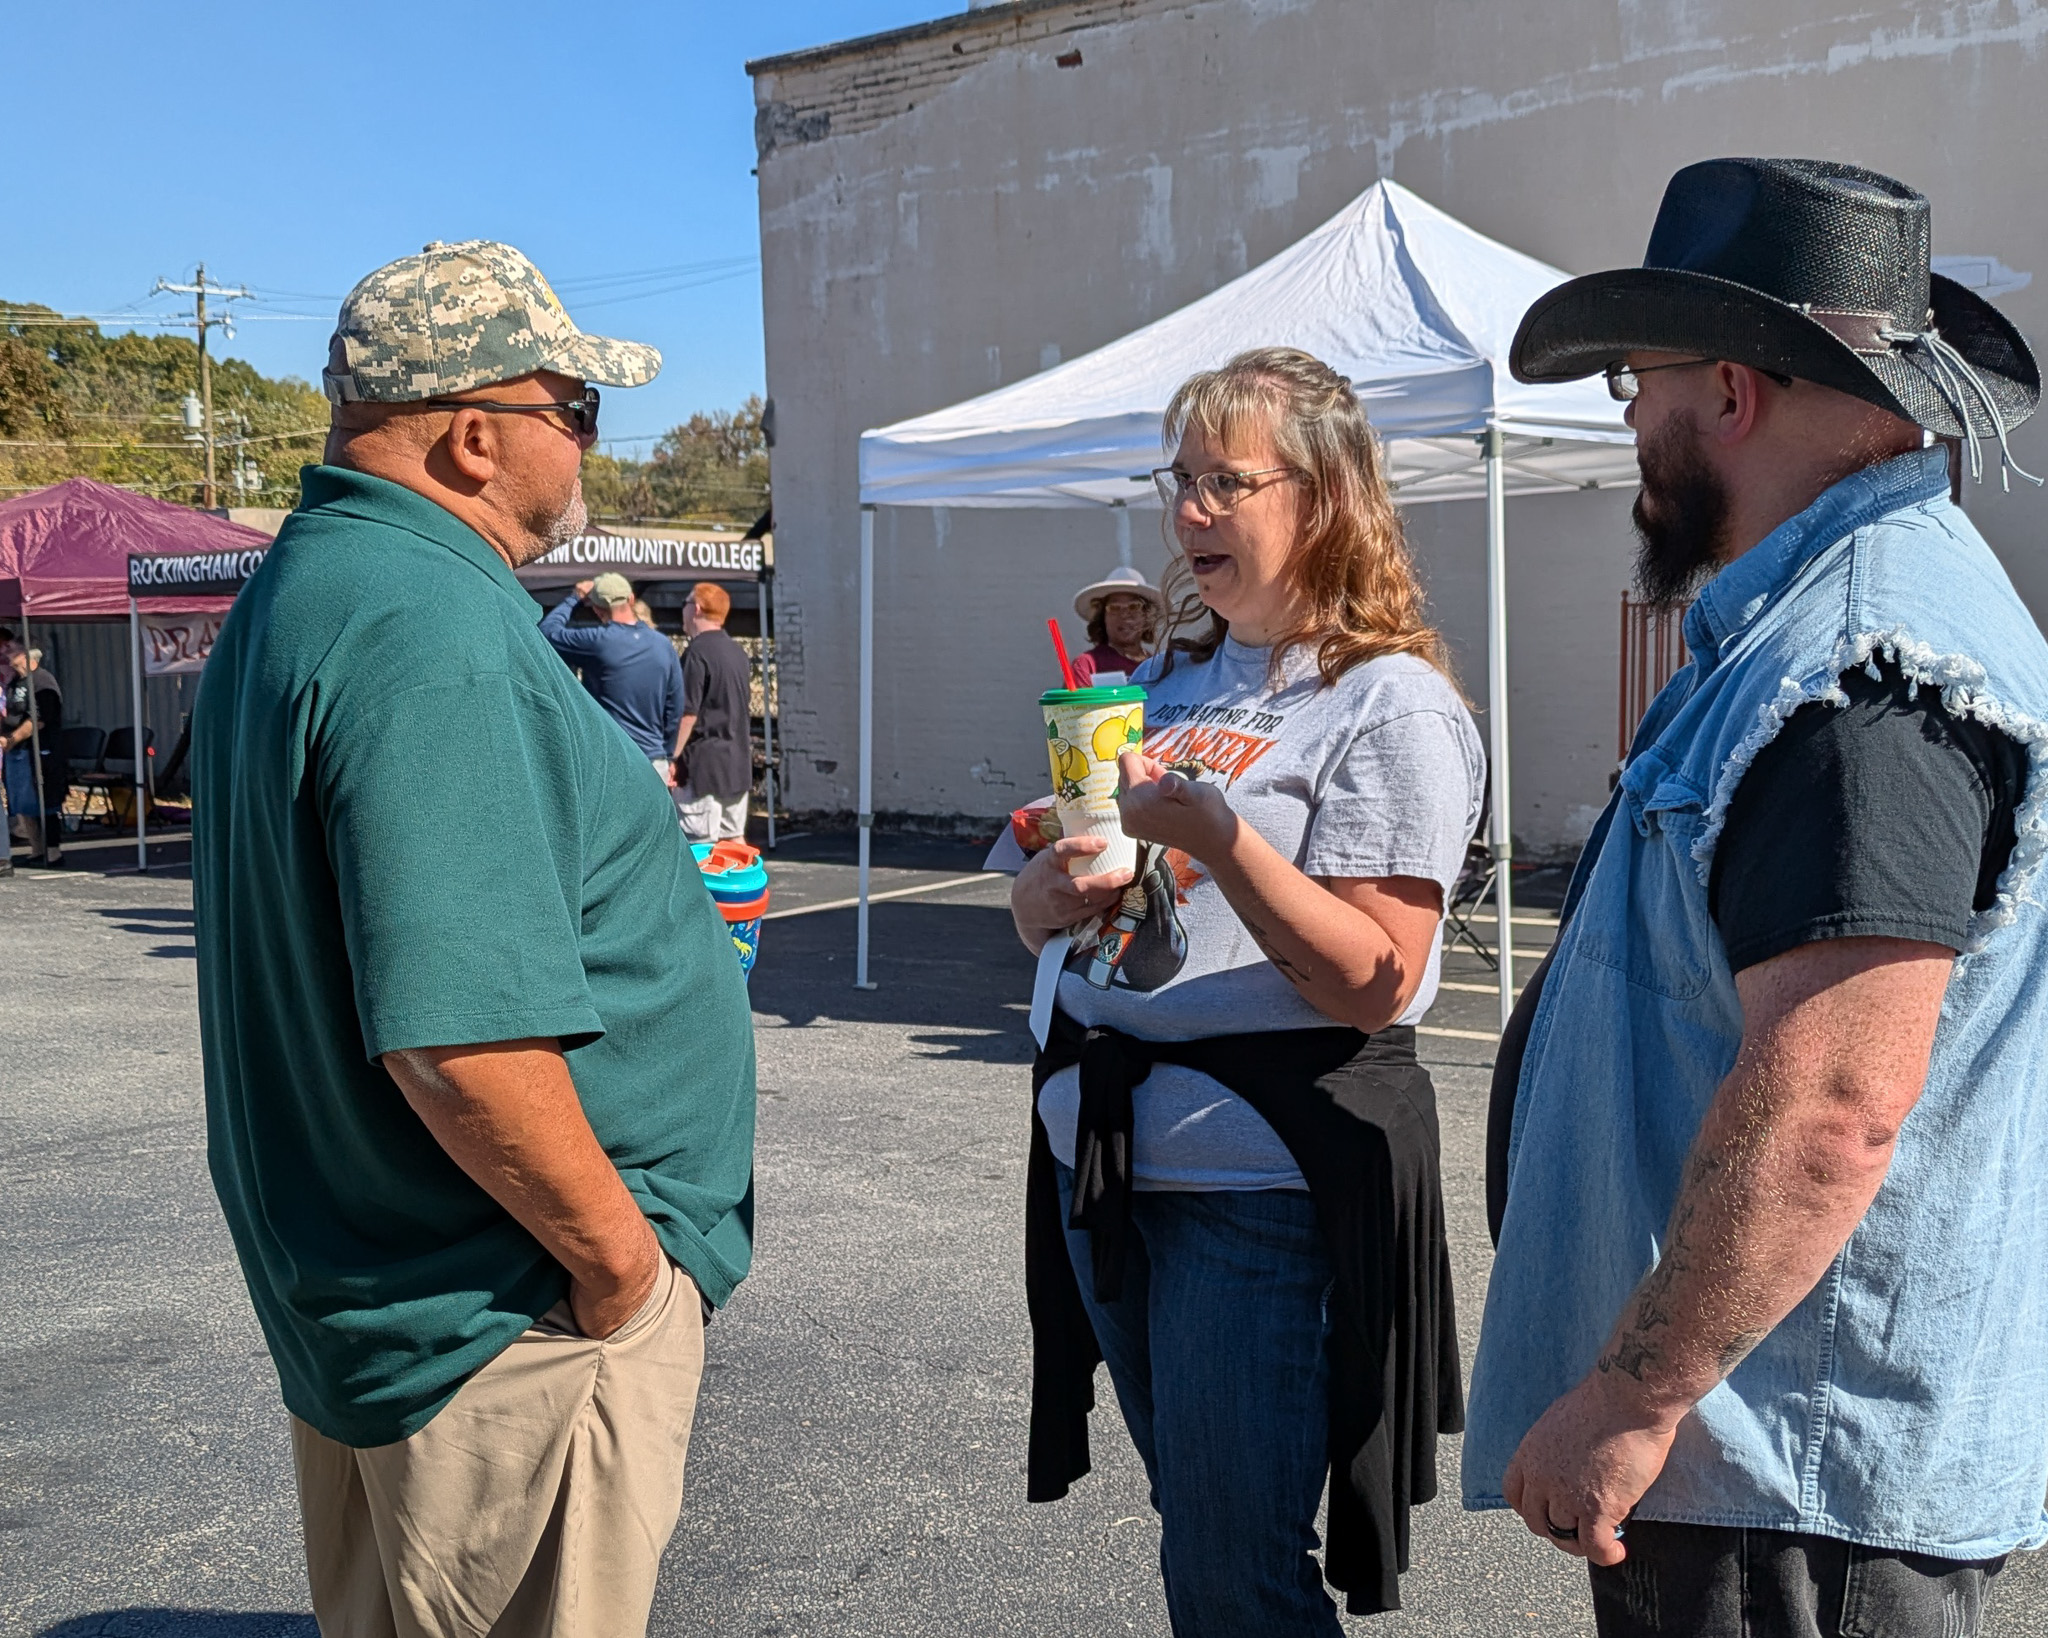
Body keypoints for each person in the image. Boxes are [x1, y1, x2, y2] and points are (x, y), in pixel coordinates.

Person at [1464, 159, 2047, 1638]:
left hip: (1792, 1491)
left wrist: (1633, 1393)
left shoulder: (1860, 663)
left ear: (1727, 392)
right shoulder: (1818, 626)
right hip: (1776, 1472)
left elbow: (1833, 1101)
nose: (1629, 426)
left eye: (1634, 385)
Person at [189, 239, 757, 1638]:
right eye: (577, 410)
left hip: (410, 1297)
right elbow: (460, 1036)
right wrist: (620, 1267)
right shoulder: (425, 619)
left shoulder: (312, 587)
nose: (587, 445)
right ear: (473, 435)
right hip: (502, 1319)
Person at [1011, 347, 1483, 1632]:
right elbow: (1058, 918)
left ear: (1323, 499)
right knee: (1203, 1529)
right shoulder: (1161, 689)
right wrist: (1045, 898)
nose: (1189, 511)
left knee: (1232, 1569)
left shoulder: (1386, 706)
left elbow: (1377, 980)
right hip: (1104, 1158)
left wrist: (1223, 842)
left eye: (1226, 481)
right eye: (1180, 480)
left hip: (1252, 1183)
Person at [539, 571, 688, 785]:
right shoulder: (663, 645)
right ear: (631, 599)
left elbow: (547, 632)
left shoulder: (599, 641)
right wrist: (668, 755)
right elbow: (675, 706)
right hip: (653, 762)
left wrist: (575, 597)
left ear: (597, 610)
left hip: (611, 760)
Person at [673, 580, 753, 841]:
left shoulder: (697, 653)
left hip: (703, 766)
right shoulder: (737, 652)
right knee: (735, 843)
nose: (682, 610)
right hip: (736, 763)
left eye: (685, 603)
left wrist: (672, 756)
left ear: (696, 608)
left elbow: (688, 714)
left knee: (698, 844)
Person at [3, 643, 67, 866]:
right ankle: (36, 848)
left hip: (40, 750)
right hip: (17, 752)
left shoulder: (42, 681)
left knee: (45, 800)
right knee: (22, 802)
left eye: (12, 650)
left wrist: (11, 739)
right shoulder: (14, 682)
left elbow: (38, 720)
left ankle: (53, 852)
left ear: (26, 654)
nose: (7, 653)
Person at [1069, 564, 1163, 684]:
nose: (1124, 614)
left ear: (1147, 615)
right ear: (1102, 617)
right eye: (1114, 608)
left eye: (1134, 606)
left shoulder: (1158, 667)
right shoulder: (1086, 665)